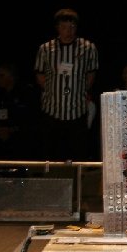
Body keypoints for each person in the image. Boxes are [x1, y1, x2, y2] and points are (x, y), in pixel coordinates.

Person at [34, 8, 98, 160]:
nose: (68, 31)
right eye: (64, 27)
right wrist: (53, 91)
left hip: (77, 112)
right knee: (51, 157)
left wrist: (79, 90)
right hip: (52, 112)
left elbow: (91, 75)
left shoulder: (88, 48)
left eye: (72, 27)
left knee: (78, 156)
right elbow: (40, 74)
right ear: (58, 28)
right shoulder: (45, 49)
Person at [0, 62, 40, 159]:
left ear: (11, 77)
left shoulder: (26, 93)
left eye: (2, 75)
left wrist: (11, 130)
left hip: (23, 142)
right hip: (3, 142)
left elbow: (32, 120)